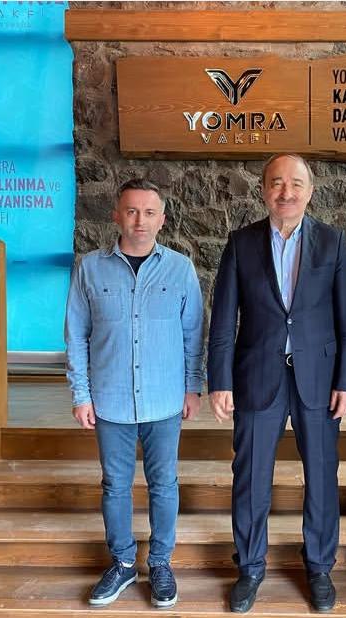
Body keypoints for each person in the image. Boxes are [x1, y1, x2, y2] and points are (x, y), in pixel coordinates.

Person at [207, 154, 346, 613]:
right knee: (250, 476)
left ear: (310, 191)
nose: (286, 192)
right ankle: (250, 566)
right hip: (257, 376)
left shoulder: (333, 242)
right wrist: (219, 380)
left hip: (320, 380)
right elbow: (223, 320)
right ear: (263, 190)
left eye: (296, 183)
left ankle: (319, 567)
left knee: (322, 476)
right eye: (277, 183)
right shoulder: (241, 243)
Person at [64, 178, 203, 608]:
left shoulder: (180, 269)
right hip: (111, 400)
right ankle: (123, 563)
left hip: (165, 400)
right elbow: (76, 335)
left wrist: (193, 387)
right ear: (116, 216)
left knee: (164, 483)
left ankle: (160, 562)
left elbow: (193, 334)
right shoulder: (89, 268)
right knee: (115, 486)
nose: (139, 220)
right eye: (131, 211)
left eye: (149, 212)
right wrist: (81, 394)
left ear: (162, 219)